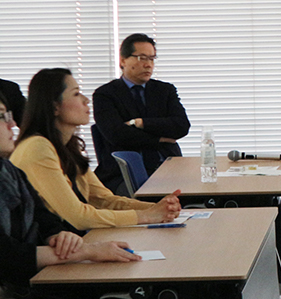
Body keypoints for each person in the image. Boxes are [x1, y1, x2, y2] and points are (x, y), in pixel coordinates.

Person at [0, 93, 139, 299]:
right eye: (2, 117)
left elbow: (43, 216)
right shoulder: (37, 147)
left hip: (36, 278)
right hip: (16, 294)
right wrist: (87, 251)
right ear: (54, 106)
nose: (12, 124)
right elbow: (7, 257)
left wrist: (58, 236)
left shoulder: (8, 170)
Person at [10, 68, 182, 232]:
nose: (86, 100)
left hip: (73, 241)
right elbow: (78, 217)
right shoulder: (37, 147)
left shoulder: (67, 147)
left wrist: (158, 207)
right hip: (49, 247)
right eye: (76, 94)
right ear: (55, 107)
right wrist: (146, 216)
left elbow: (103, 200)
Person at [92, 33, 190, 194]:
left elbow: (181, 126)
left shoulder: (164, 90)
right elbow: (117, 135)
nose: (148, 65)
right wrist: (159, 139)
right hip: (123, 174)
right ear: (123, 61)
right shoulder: (105, 94)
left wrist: (141, 123)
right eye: (142, 58)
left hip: (167, 167)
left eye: (152, 59)